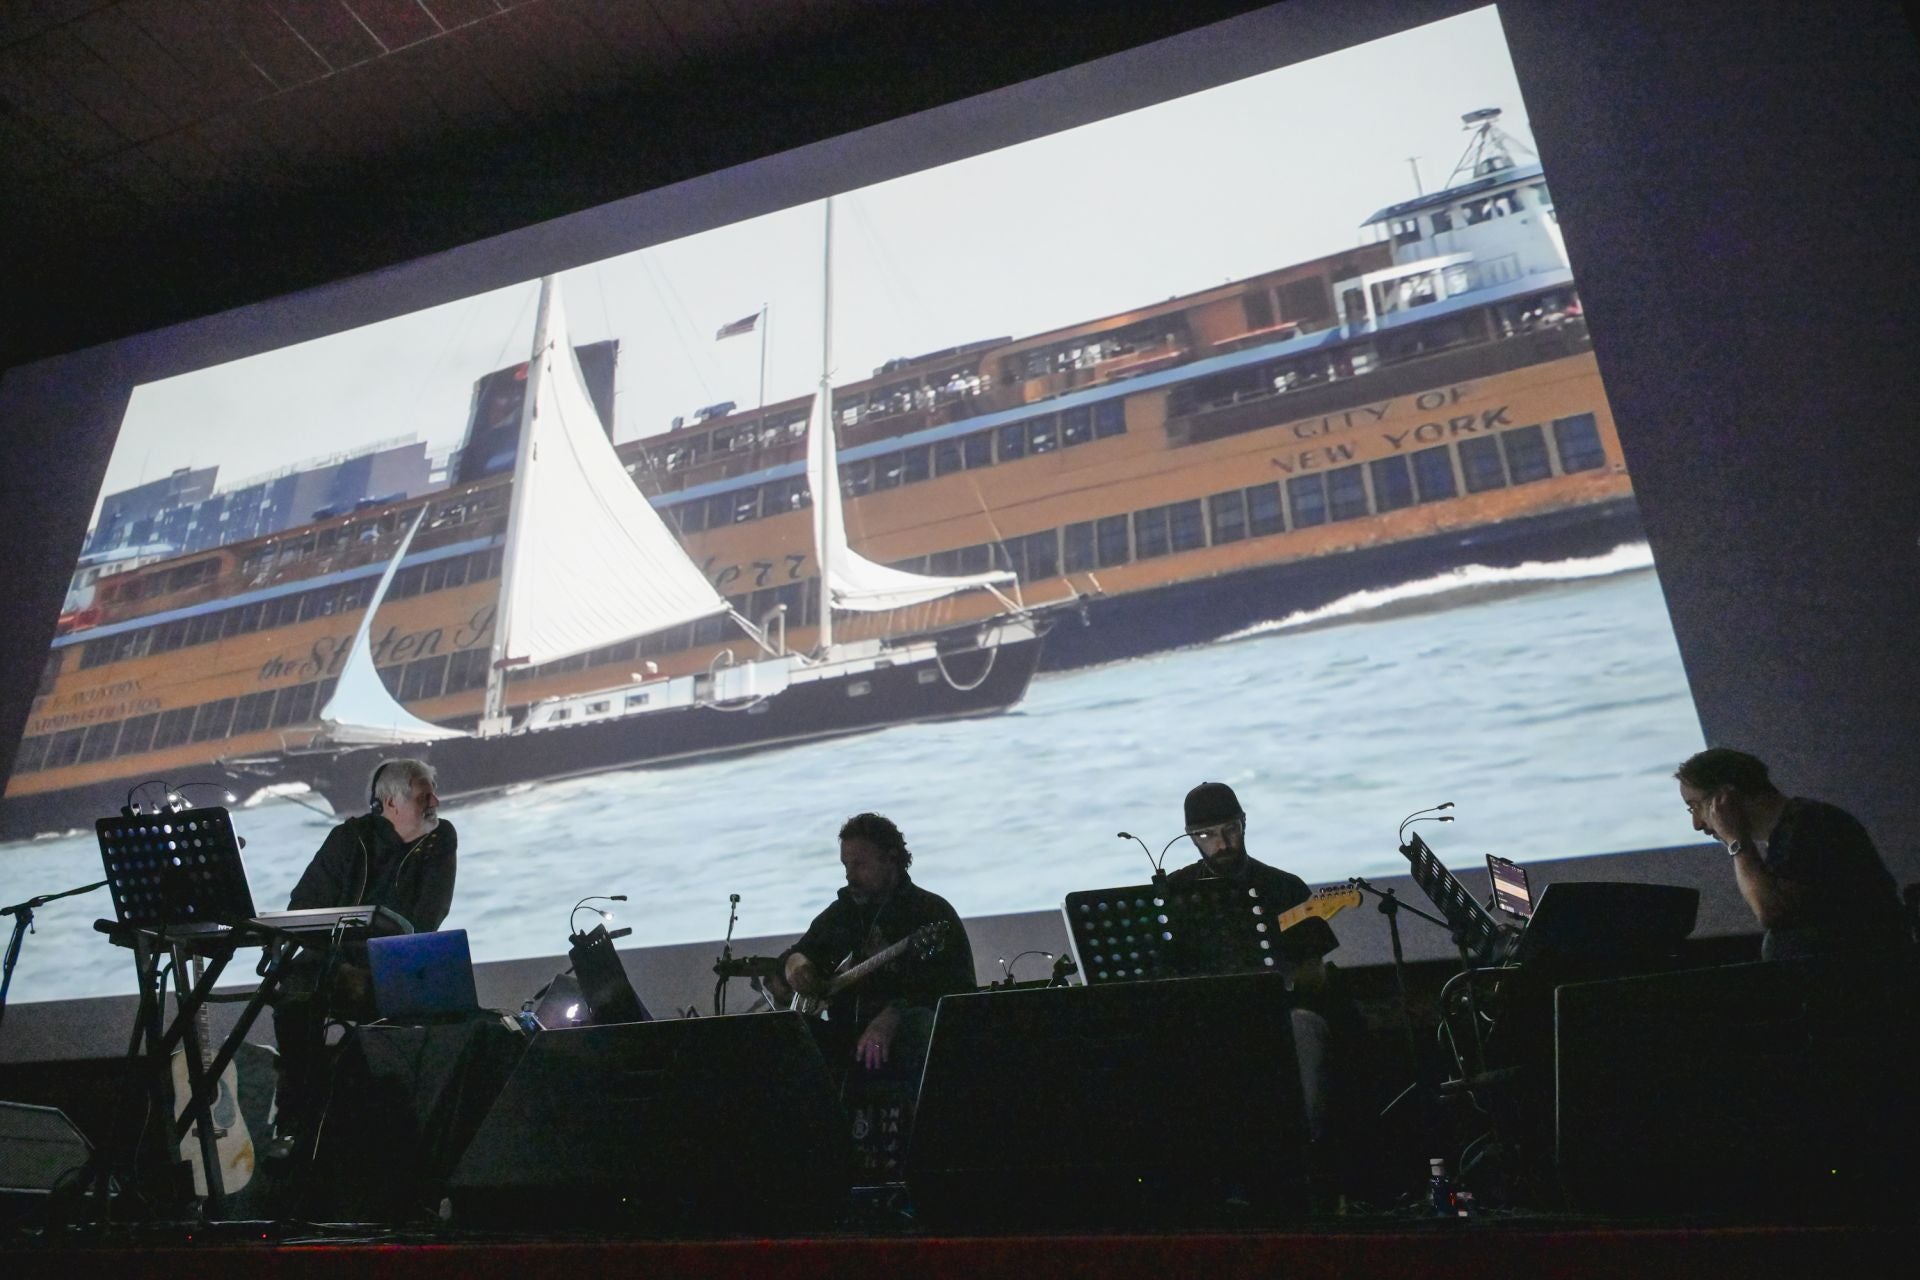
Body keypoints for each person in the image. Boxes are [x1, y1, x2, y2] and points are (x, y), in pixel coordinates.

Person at [270, 758, 458, 1153]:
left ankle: (376, 1122)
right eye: (425, 795)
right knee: (293, 999)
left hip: (398, 963)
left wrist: (370, 966)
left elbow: (427, 919)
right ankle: (301, 1119)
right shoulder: (348, 838)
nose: (436, 801)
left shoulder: (441, 840)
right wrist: (343, 965)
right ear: (391, 802)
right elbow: (304, 906)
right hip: (333, 963)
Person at [1165, 781, 1359, 1158]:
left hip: (1278, 1014)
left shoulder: (1283, 888)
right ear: (1190, 837)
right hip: (1206, 1019)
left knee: (1304, 1026)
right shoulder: (1174, 893)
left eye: (1230, 831)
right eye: (1207, 835)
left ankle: (1310, 1155)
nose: (1221, 844)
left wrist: (1277, 985)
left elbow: (1313, 973)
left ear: (1243, 824)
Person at [782, 813, 974, 1082]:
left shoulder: (931, 912)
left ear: (891, 859)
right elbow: (798, 953)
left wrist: (893, 1016)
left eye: (859, 865)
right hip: (845, 1034)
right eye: (845, 865)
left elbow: (953, 990)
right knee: (789, 1038)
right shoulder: (844, 911)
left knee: (919, 1029)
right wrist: (797, 965)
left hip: (905, 1034)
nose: (850, 876)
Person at [1676, 747, 1906, 962]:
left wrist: (1737, 842)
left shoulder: (1812, 825)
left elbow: (1772, 911)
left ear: (1727, 797)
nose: (1697, 824)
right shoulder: (1794, 827)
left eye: (1696, 806)